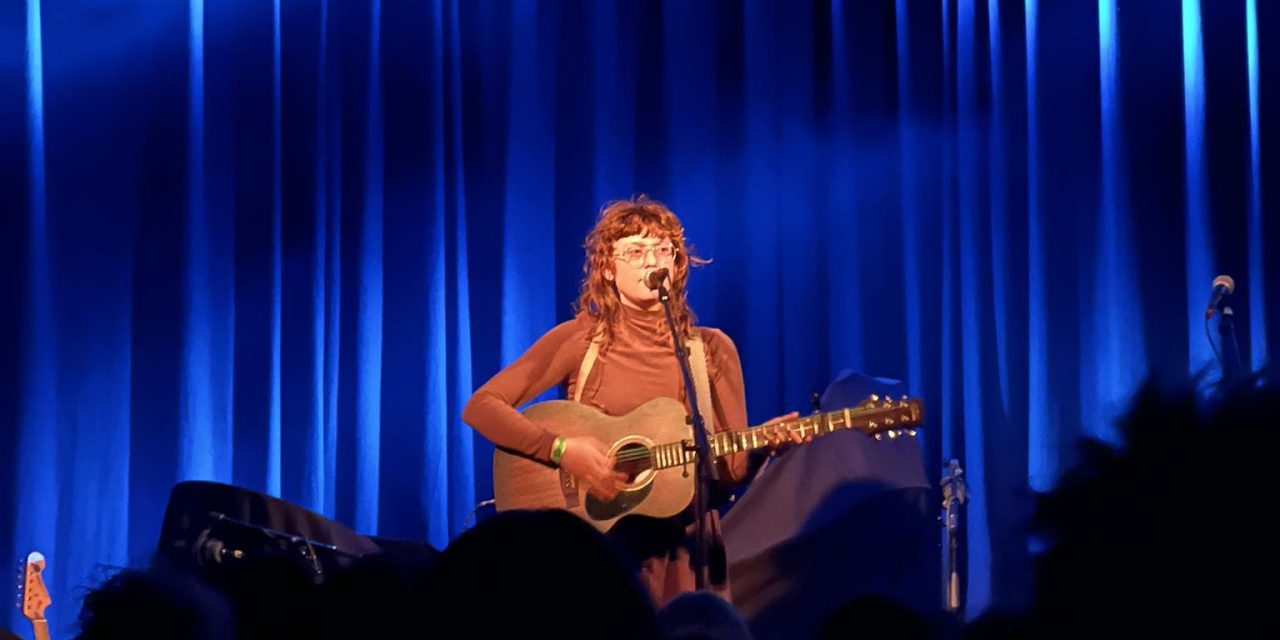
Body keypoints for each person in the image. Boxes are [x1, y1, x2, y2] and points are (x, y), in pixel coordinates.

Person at [461, 195, 798, 607]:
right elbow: (482, 405)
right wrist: (562, 450)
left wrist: (763, 446)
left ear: (677, 265)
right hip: (596, 548)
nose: (650, 261)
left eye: (662, 250)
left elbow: (728, 472)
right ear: (607, 267)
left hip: (683, 552)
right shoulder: (581, 339)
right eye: (634, 251)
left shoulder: (710, 350)